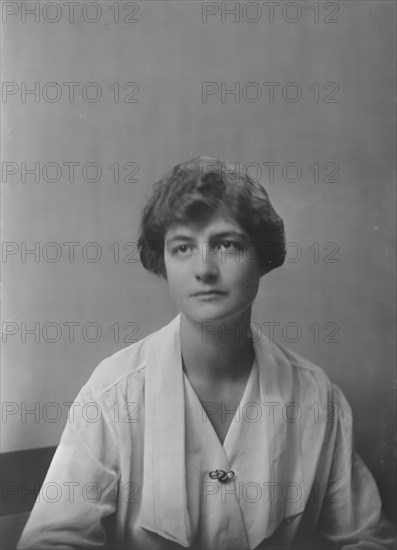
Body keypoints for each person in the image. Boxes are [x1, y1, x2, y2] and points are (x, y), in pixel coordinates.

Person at [17, 157, 395, 549]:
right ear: (162, 261)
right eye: (182, 247)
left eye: (226, 244)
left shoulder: (316, 395)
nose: (204, 269)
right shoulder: (114, 393)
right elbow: (51, 541)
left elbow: (369, 538)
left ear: (261, 257)